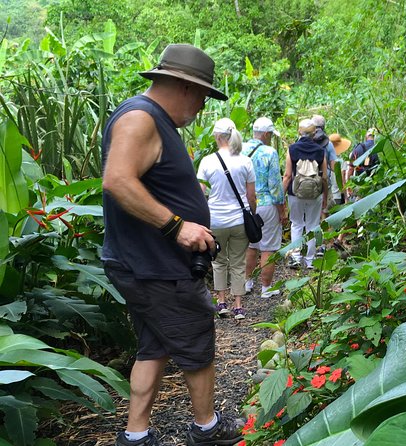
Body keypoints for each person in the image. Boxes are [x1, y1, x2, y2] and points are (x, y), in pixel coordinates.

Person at [101, 44, 244, 446]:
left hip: (148, 263)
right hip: (155, 266)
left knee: (155, 344)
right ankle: (207, 428)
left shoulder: (153, 119)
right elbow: (117, 180)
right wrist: (177, 227)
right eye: (202, 96)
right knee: (196, 335)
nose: (201, 106)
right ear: (184, 87)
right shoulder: (140, 118)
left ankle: (136, 434)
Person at [197, 119, 256, 320]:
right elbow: (251, 196)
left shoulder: (207, 161)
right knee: (238, 263)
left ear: (217, 136)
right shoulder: (245, 161)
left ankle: (222, 302)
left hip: (216, 221)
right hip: (239, 220)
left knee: (219, 262)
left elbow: (200, 193)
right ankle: (238, 306)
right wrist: (252, 214)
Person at [241, 117, 285, 298]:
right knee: (268, 247)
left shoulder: (240, 149)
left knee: (251, 245)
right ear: (266, 134)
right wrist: (282, 209)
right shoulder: (270, 152)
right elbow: (275, 185)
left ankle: (247, 283)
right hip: (266, 204)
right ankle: (266, 288)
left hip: (246, 205)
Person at [283, 119, 328, 269]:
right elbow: (325, 177)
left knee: (296, 224)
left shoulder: (292, 149)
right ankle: (310, 260)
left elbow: (288, 175)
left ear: (299, 132)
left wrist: (281, 196)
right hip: (315, 194)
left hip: (295, 193)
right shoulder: (320, 151)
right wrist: (325, 198)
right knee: (313, 225)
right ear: (314, 133)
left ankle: (296, 256)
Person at [347, 127, 380, 202]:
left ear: (367, 136)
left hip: (361, 184)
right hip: (376, 185)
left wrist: (349, 186)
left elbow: (351, 169)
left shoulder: (357, 148)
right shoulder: (380, 147)